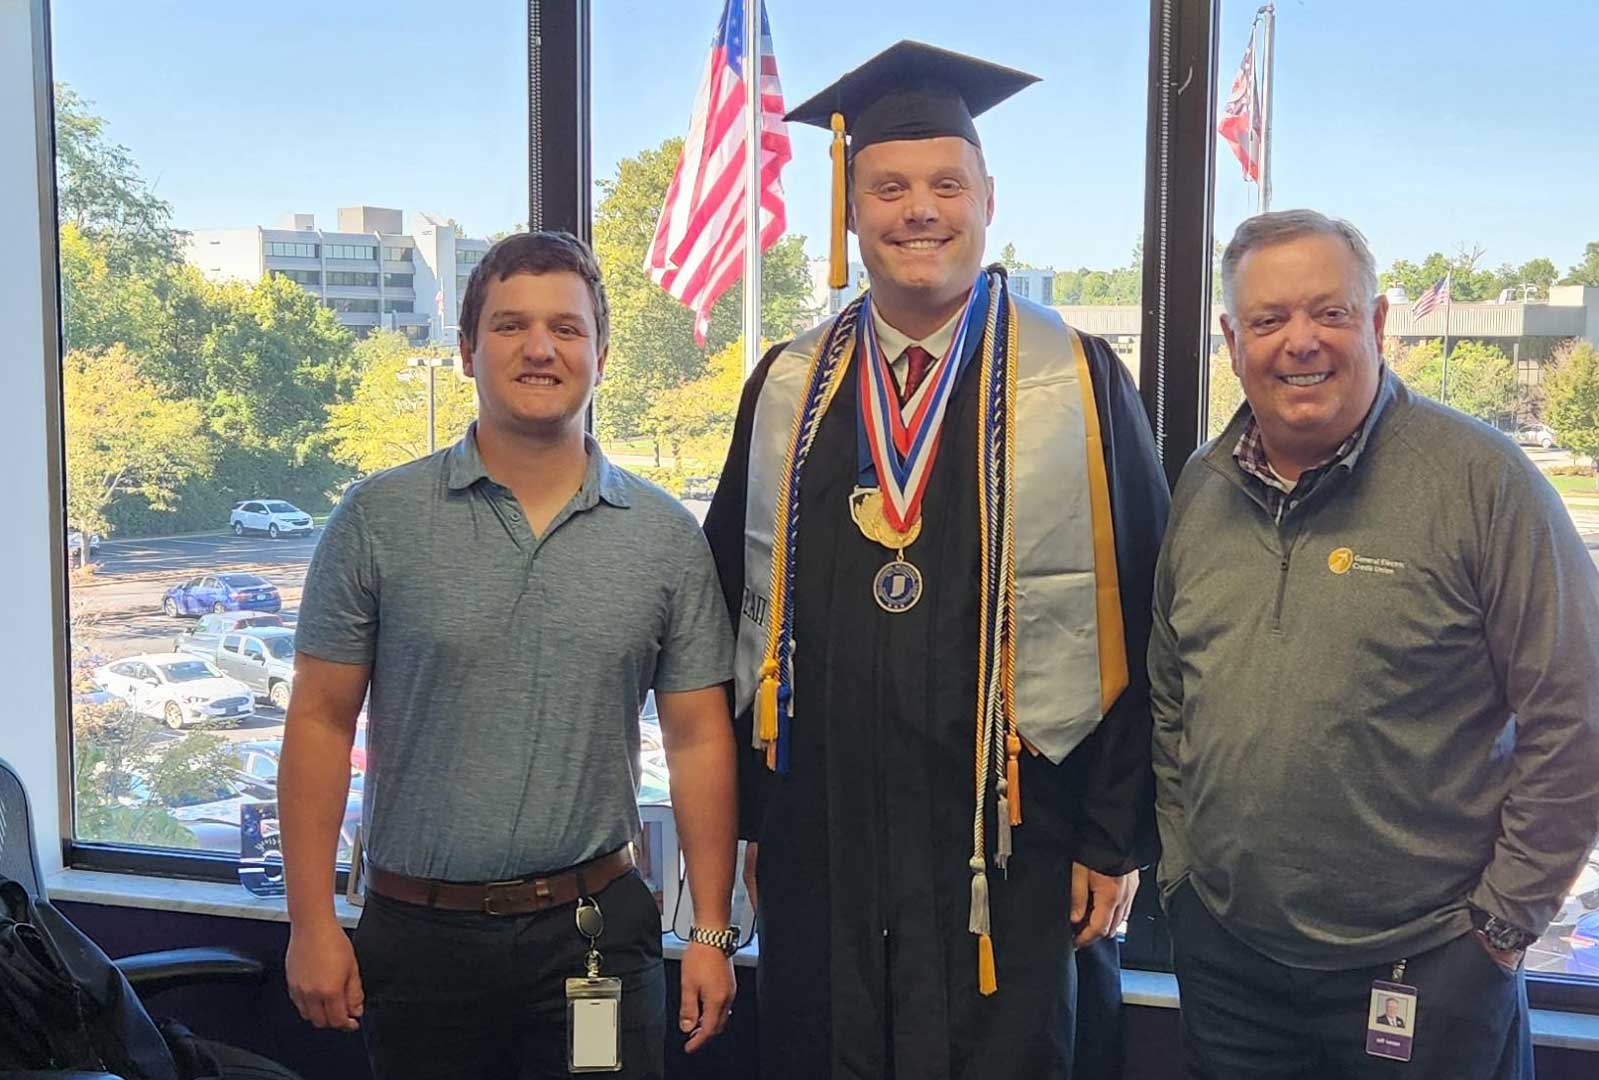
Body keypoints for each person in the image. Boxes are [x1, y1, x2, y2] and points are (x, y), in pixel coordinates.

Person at [702, 41, 1168, 1080]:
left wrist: (1111, 837)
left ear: (987, 200)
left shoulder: (1080, 381)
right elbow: (732, 607)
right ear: (850, 209)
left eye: (946, 186)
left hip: (1023, 847)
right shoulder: (787, 390)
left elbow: (1147, 613)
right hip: (828, 845)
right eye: (890, 188)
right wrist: (754, 821)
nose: (920, 210)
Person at [1149, 210, 1599, 1080]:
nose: (1300, 341)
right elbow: (1171, 694)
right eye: (1269, 319)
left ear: (1376, 323)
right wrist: (1183, 876)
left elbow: (1585, 719)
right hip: (1229, 963)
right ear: (1232, 341)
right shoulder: (1203, 485)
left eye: (1329, 313)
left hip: (1426, 968)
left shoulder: (1482, 481)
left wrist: (1499, 929)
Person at [278, 231, 741, 1080]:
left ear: (601, 355)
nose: (539, 348)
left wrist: (709, 930)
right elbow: (318, 723)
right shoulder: (377, 520)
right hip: (420, 945)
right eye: (509, 325)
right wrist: (309, 920)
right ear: (466, 351)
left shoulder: (666, 538)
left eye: (567, 328)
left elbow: (699, 738)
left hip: (594, 940)